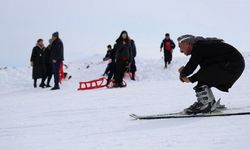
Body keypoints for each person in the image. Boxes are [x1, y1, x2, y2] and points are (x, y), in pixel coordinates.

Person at [177, 34, 245, 114]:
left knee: (204, 77)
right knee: (204, 78)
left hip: (232, 65)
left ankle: (205, 104)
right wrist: (190, 79)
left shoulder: (199, 46)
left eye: (180, 46)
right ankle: (210, 102)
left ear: (188, 43)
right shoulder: (202, 48)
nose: (180, 51)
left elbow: (192, 65)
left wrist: (183, 73)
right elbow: (205, 70)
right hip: (232, 66)